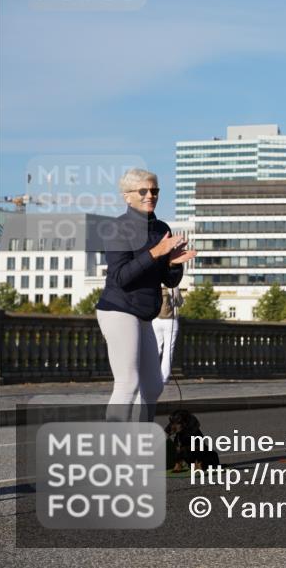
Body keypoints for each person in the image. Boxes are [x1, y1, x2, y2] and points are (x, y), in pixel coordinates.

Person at [97, 169, 196, 421]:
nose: (150, 195)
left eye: (154, 190)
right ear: (127, 197)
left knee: (152, 387)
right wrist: (156, 252)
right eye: (143, 191)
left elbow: (169, 281)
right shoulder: (116, 228)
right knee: (128, 383)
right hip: (117, 310)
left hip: (144, 313)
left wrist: (173, 263)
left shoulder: (161, 228)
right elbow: (121, 277)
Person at [152, 285, 183, 384]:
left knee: (155, 348)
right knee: (168, 351)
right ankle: (164, 378)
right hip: (170, 321)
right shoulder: (172, 284)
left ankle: (151, 375)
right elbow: (179, 302)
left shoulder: (155, 281)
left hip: (156, 320)